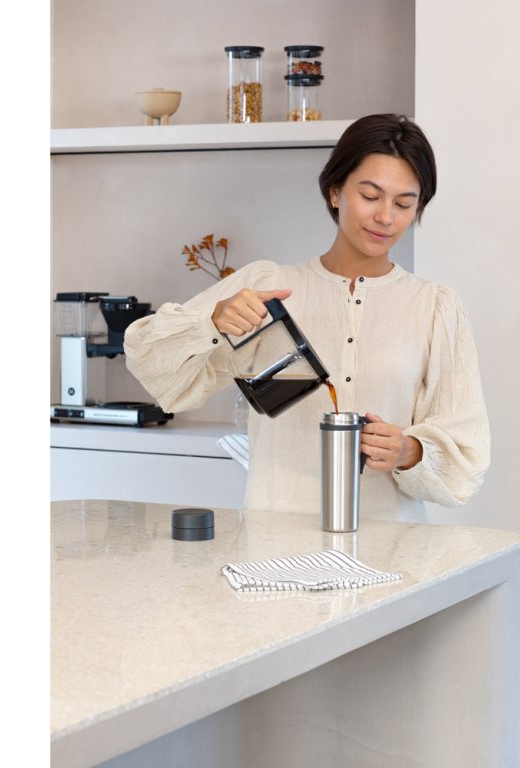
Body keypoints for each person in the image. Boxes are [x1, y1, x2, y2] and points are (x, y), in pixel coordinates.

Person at [124, 114, 489, 522]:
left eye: (404, 204)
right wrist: (211, 322)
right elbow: (149, 362)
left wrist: (409, 451)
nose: (386, 217)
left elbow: (466, 457)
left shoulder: (435, 307)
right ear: (335, 191)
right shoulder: (267, 287)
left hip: (389, 546)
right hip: (275, 540)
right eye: (370, 196)